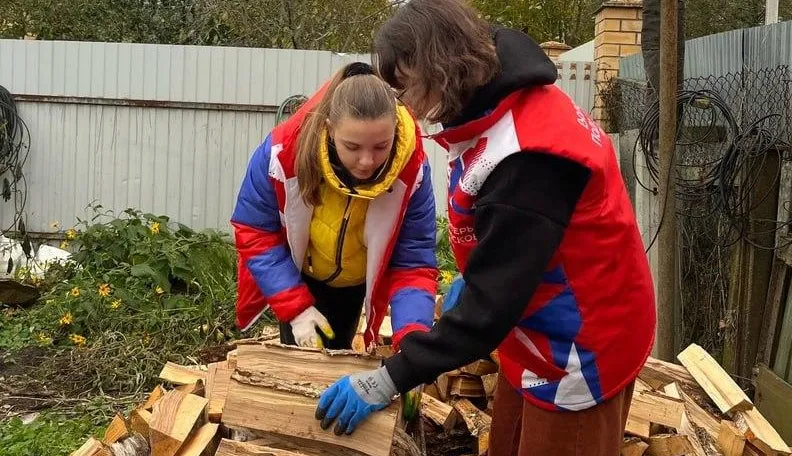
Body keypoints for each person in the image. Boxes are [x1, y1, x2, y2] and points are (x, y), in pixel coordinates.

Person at [315, 1, 657, 453]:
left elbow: (489, 310)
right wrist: (478, 274)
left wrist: (389, 378)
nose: (405, 104)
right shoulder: (494, 100)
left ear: (439, 67)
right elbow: (508, 240)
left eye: (406, 86)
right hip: (535, 322)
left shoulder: (527, 157)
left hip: (581, 340)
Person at [231, 62, 438, 353]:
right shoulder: (282, 153)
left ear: (396, 129)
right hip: (299, 276)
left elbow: (413, 261)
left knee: (339, 355)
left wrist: (412, 336)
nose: (366, 161)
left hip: (355, 285)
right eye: (352, 147)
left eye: (381, 146)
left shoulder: (413, 171)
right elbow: (255, 231)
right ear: (329, 129)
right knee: (300, 368)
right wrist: (295, 307)